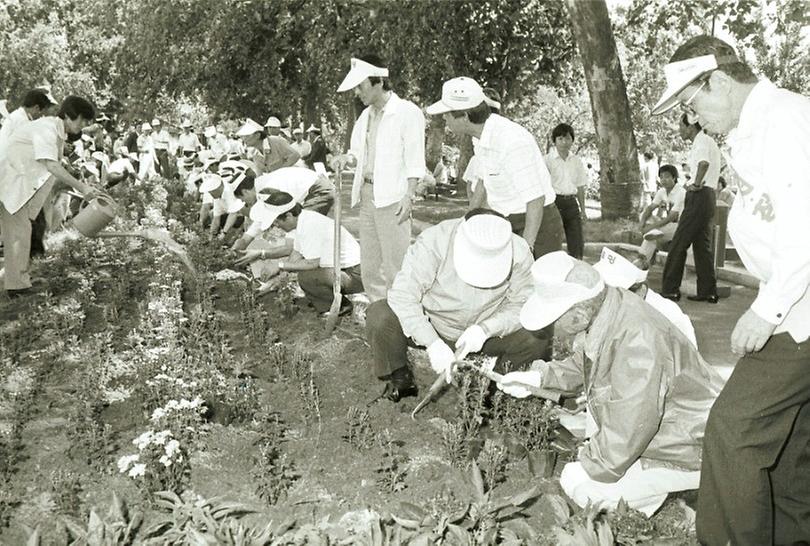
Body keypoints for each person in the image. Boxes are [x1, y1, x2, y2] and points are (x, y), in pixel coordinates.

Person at [651, 34, 810, 545]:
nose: (693, 119)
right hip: (794, 297)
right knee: (786, 444)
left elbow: (805, 223)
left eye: (693, 104)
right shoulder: (754, 127)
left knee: (734, 432)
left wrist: (768, 309)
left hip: (798, 306)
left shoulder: (786, 121)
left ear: (717, 81)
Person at [499, 251, 722, 516]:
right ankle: (642, 498)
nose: (549, 331)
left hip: (693, 446)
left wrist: (589, 463)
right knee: (593, 470)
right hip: (673, 432)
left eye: (552, 322)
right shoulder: (611, 307)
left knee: (584, 487)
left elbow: (631, 424)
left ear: (579, 314)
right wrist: (539, 377)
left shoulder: (638, 341)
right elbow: (588, 361)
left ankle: (655, 503)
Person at [366, 211, 551, 402]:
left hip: (483, 333)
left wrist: (486, 329)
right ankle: (400, 378)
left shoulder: (519, 251)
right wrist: (432, 342)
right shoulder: (434, 242)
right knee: (380, 315)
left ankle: (493, 395)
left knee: (536, 335)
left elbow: (522, 303)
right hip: (435, 324)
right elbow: (403, 295)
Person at [427, 77, 563, 258]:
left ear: (465, 117)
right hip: (506, 222)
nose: (444, 117)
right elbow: (485, 182)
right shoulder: (480, 137)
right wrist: (468, 221)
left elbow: (535, 200)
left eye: (447, 113)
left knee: (539, 284)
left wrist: (525, 249)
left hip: (537, 227)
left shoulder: (511, 141)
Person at [332, 54, 425, 302]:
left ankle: (403, 318)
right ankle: (378, 315)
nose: (357, 93)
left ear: (379, 82)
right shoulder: (365, 116)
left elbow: (415, 160)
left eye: (360, 86)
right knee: (371, 266)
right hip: (367, 194)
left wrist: (409, 195)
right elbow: (357, 154)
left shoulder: (407, 112)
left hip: (393, 198)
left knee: (396, 265)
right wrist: (346, 159)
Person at [0, 96, 102, 297]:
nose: (83, 126)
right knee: (19, 233)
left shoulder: (57, 133)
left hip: (20, 184)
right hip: (11, 182)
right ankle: (17, 286)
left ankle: (19, 280)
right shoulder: (46, 129)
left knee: (21, 231)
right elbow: (51, 165)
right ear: (71, 116)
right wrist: (82, 187)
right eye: (82, 120)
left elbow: (54, 166)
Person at [249, 191, 363, 314]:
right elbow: (296, 254)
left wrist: (279, 265)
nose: (276, 226)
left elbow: (312, 264)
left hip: (355, 274)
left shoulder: (310, 225)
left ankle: (339, 307)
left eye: (277, 222)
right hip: (343, 270)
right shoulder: (304, 219)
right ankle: (325, 299)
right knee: (308, 276)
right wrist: (275, 281)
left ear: (288, 216)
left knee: (307, 277)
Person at [659, 113, 721, 303]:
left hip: (699, 195)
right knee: (702, 247)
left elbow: (703, 163)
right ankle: (708, 291)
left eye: (681, 125)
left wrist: (695, 184)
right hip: (708, 197)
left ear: (691, 126)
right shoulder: (707, 141)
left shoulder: (701, 140)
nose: (679, 129)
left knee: (679, 242)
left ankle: (670, 289)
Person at [593, 246, 696, 347]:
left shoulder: (669, 318)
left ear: (641, 292)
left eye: (615, 292)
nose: (604, 296)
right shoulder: (601, 309)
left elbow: (690, 361)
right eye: (603, 287)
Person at [231, 166, 334, 252]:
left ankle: (306, 262)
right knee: (299, 231)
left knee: (302, 228)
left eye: (242, 199)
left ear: (245, 192)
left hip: (319, 189)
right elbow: (262, 218)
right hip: (313, 188)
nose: (245, 203)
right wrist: (244, 239)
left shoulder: (266, 190)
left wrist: (261, 252)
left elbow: (285, 216)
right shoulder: (260, 188)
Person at [546, 123, 588, 259]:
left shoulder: (576, 161)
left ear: (572, 140)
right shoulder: (547, 160)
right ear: (554, 141)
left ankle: (578, 267)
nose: (564, 142)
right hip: (554, 203)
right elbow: (543, 186)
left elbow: (580, 186)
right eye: (560, 139)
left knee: (576, 241)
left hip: (571, 203)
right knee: (552, 240)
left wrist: (583, 210)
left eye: (568, 139)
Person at [638, 164, 686, 263]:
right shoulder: (662, 191)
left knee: (651, 236)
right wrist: (642, 223)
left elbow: (671, 217)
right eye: (661, 177)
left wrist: (650, 228)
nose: (664, 180)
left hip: (680, 226)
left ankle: (642, 260)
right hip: (667, 225)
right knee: (643, 215)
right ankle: (643, 259)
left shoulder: (681, 193)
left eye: (667, 176)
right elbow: (650, 208)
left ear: (674, 177)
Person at [0, 88, 58, 157]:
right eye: (41, 113)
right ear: (36, 108)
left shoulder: (19, 116)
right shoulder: (21, 121)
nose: (41, 116)